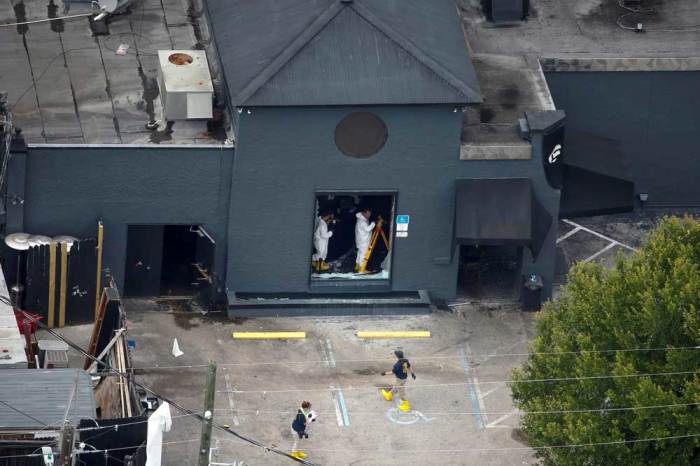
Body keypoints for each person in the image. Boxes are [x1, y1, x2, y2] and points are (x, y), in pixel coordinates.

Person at [354, 207, 375, 272]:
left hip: (361, 239)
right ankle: (361, 269)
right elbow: (367, 229)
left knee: (360, 253)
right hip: (363, 240)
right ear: (364, 213)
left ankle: (357, 266)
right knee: (363, 254)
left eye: (370, 214)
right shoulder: (362, 221)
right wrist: (373, 223)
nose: (369, 216)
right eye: (368, 214)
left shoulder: (362, 218)